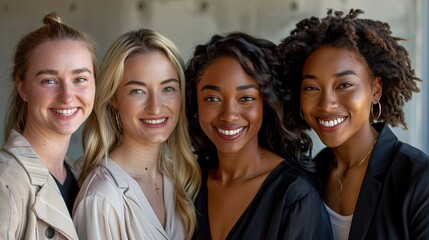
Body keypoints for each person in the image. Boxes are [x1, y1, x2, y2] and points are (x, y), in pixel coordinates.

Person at [278, 9, 429, 240]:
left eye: (344, 85)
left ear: (375, 90)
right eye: (311, 88)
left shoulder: (418, 178)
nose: (326, 104)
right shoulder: (308, 176)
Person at [185, 32, 333, 240]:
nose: (229, 115)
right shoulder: (189, 184)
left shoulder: (294, 196)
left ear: (265, 105)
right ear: (195, 104)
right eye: (212, 98)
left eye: (246, 98)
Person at [72, 29, 201, 240]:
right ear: (113, 98)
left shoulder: (176, 178)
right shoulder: (101, 198)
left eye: (167, 88)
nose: (156, 106)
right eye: (137, 91)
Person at [0, 12, 96, 239]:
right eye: (49, 81)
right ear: (22, 88)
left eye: (80, 79)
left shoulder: (84, 175)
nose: (67, 96)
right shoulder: (5, 182)